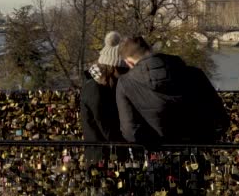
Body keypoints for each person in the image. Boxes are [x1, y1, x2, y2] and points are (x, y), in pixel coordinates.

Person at [115, 35, 229, 144]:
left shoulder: (125, 83)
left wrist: (154, 143)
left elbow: (130, 131)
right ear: (150, 49)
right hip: (195, 149)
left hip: (157, 153)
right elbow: (220, 118)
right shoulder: (194, 74)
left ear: (129, 62)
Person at [80, 31, 129, 164]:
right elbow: (105, 126)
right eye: (123, 71)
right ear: (114, 68)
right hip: (103, 157)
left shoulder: (98, 87)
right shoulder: (96, 89)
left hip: (103, 155)